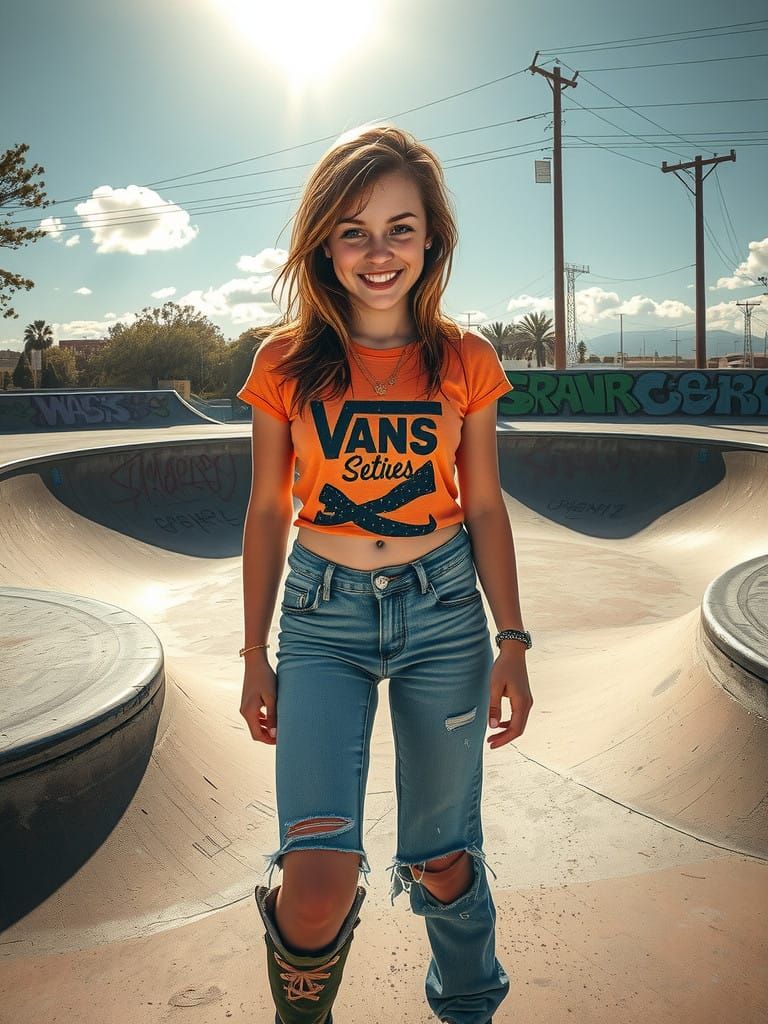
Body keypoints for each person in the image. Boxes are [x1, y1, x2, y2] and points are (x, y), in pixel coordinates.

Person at [237, 124, 533, 1024]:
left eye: (401, 228)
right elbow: (264, 512)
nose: (378, 252)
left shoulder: (464, 359)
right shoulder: (283, 361)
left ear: (431, 239)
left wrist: (512, 640)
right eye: (355, 230)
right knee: (316, 882)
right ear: (324, 240)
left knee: (442, 858)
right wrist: (253, 652)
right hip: (322, 619)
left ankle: (469, 1006)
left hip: (444, 614)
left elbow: (482, 506)